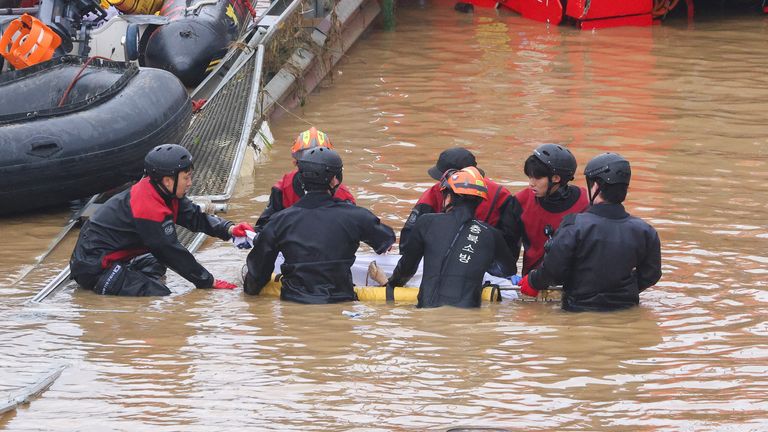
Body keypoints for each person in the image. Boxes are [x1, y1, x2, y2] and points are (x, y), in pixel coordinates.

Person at [69, 144, 253, 296]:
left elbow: (194, 217)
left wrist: (229, 229)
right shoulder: (148, 207)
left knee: (155, 263)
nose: (190, 182)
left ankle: (129, 280)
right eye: (186, 177)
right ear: (167, 181)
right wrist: (209, 281)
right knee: (160, 294)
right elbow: (172, 252)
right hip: (94, 268)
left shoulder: (164, 192)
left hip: (116, 256)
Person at [243, 147, 395, 304]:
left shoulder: (279, 221)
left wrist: (249, 293)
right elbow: (386, 240)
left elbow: (257, 273)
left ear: (301, 179)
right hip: (340, 304)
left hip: (293, 305)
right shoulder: (356, 216)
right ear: (335, 180)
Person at [518, 152, 662, 311]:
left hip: (577, 311)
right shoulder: (645, 231)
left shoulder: (574, 225)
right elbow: (651, 274)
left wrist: (532, 281)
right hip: (626, 310)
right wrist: (625, 289)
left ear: (596, 186)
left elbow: (554, 270)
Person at [386, 167, 517, 308]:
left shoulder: (426, 222)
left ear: (448, 197)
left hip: (425, 313)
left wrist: (391, 285)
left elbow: (406, 269)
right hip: (467, 318)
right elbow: (507, 270)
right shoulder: (491, 234)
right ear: (479, 201)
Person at [399, 147, 515, 252]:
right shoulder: (501, 195)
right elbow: (510, 249)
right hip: (483, 263)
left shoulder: (501, 197)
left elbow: (407, 244)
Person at [504, 143, 589, 276]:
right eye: (529, 177)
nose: (531, 183)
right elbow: (508, 248)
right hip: (532, 282)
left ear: (556, 178)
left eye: (537, 178)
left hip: (573, 283)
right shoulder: (520, 202)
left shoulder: (586, 203)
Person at [254, 127, 355, 231]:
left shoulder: (343, 196)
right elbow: (263, 227)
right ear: (295, 162)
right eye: (309, 162)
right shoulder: (282, 189)